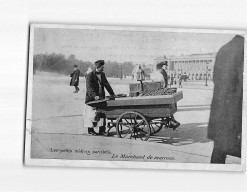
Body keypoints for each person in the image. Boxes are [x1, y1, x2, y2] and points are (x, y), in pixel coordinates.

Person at [208, 35, 244, 164]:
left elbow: (215, 79)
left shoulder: (224, 48)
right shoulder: (243, 49)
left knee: (219, 149)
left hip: (220, 112)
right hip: (236, 113)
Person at [83, 60, 115, 135]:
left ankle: (102, 130)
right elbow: (89, 87)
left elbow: (107, 84)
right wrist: (94, 96)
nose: (103, 69)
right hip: (91, 98)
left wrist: (112, 94)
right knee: (92, 114)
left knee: (102, 113)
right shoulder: (90, 75)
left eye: (103, 67)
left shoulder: (102, 74)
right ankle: (90, 130)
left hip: (101, 97)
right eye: (102, 67)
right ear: (98, 67)